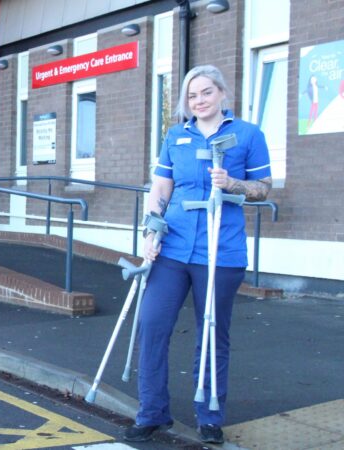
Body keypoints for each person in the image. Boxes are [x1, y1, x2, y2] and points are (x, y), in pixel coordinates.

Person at [124, 65, 272, 445]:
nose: (199, 101)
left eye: (206, 92)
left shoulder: (247, 134)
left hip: (220, 251)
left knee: (212, 333)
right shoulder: (176, 135)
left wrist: (234, 183)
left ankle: (209, 416)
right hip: (172, 246)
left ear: (222, 93)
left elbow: (264, 188)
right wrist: (150, 230)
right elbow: (160, 188)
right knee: (152, 324)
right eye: (192, 95)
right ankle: (152, 412)